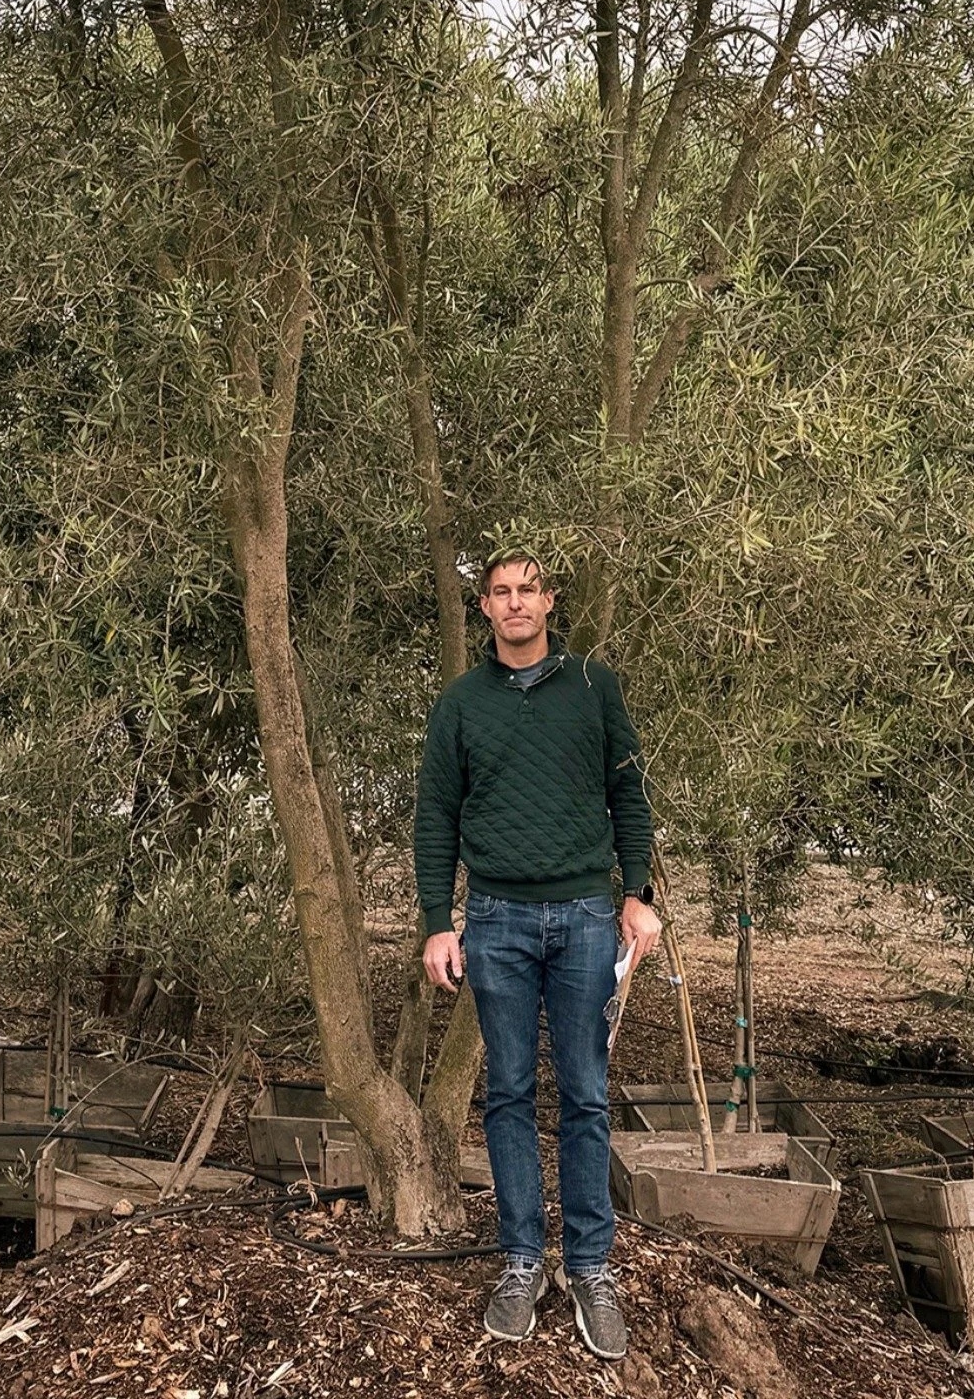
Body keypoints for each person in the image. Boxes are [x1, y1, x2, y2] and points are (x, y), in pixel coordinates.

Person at [413, 550, 660, 1359]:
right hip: (497, 920)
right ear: (482, 608)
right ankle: (521, 1261)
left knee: (587, 1094)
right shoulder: (460, 704)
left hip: (590, 915)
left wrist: (638, 896)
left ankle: (591, 1267)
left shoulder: (596, 687)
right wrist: (436, 921)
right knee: (510, 1094)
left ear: (549, 601)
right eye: (500, 593)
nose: (515, 604)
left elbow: (630, 795)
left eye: (528, 591)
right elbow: (435, 818)